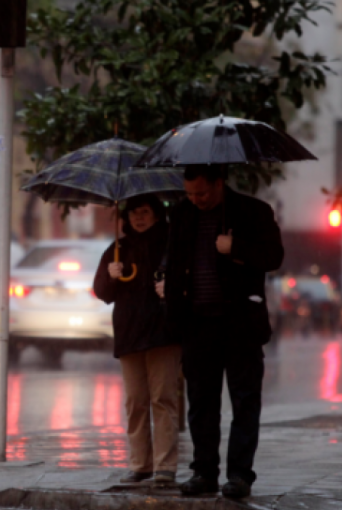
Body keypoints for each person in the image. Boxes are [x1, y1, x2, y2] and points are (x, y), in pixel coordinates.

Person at [156, 165, 283, 499]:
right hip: (197, 324)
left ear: (218, 183)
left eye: (202, 193)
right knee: (201, 403)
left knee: (244, 401)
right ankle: (204, 472)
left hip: (240, 323)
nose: (196, 199)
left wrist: (236, 247)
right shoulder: (182, 214)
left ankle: (239, 475)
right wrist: (166, 282)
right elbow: (173, 257)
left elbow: (274, 256)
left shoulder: (253, 211)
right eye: (190, 194)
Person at [93, 194, 181, 485]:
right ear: (126, 218)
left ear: (156, 214)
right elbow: (103, 293)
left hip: (163, 333)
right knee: (135, 401)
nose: (139, 218)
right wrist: (111, 275)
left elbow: (186, 280)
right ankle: (140, 464)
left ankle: (165, 466)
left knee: (163, 398)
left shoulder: (170, 244)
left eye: (145, 212)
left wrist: (172, 286)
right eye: (134, 214)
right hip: (130, 334)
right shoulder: (118, 249)